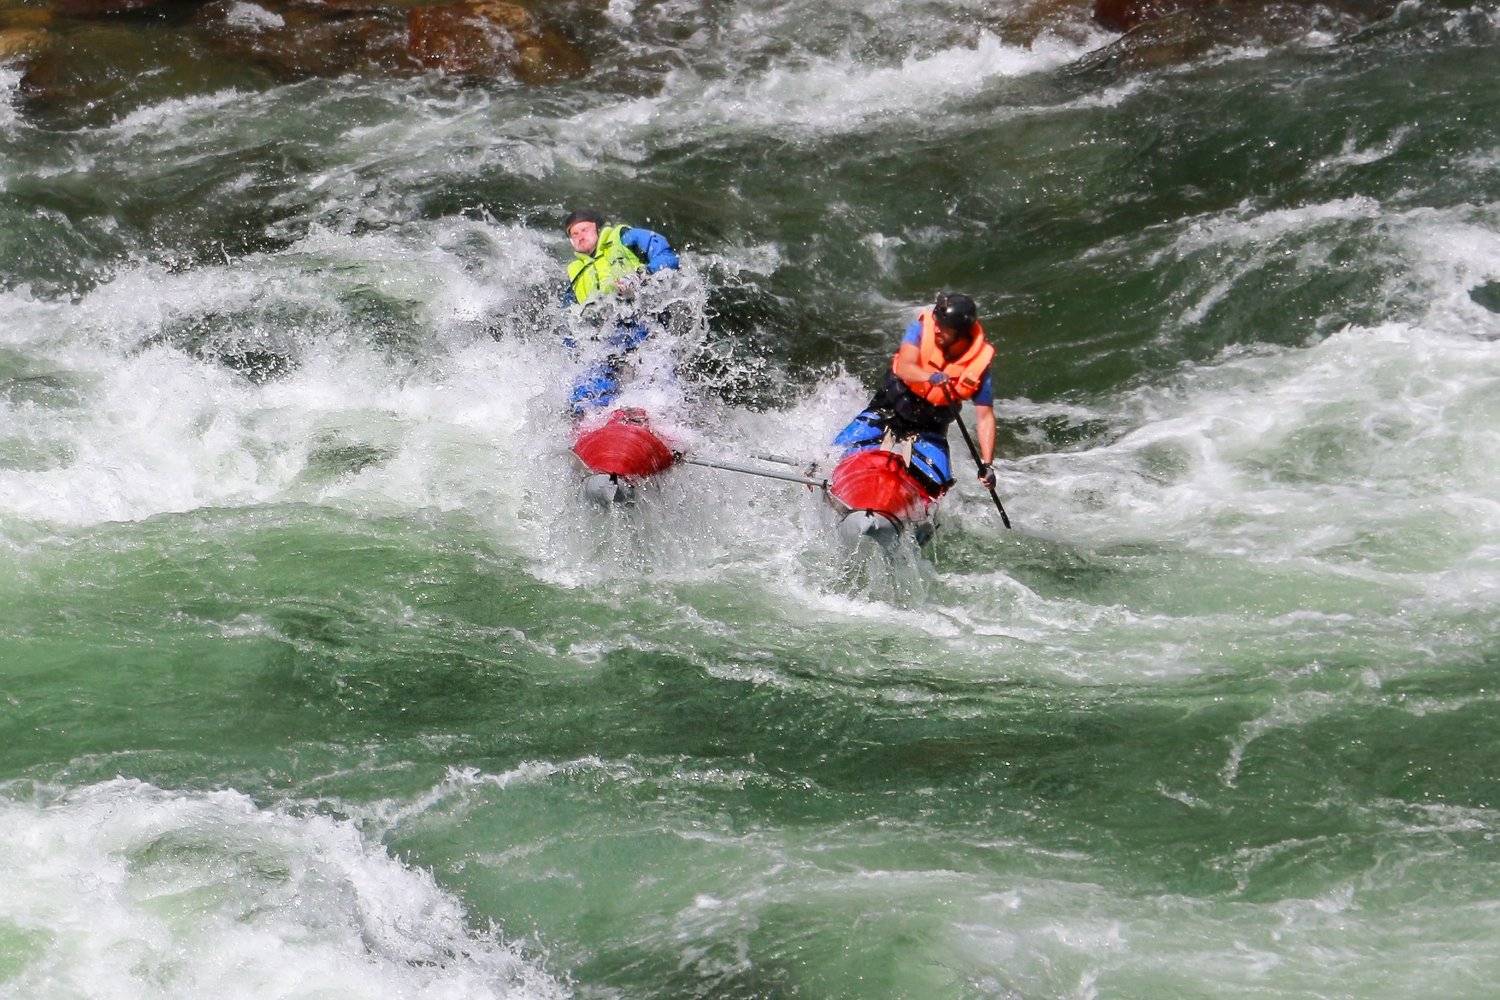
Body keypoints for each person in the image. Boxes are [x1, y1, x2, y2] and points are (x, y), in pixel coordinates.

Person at [833, 292, 998, 494]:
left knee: (939, 483)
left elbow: (985, 417)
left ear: (961, 334)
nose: (936, 328)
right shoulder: (920, 330)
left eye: (944, 327)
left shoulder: (979, 365)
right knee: (835, 451)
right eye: (937, 323)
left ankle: (911, 502)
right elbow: (904, 367)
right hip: (890, 407)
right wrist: (929, 376)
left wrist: (987, 465)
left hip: (930, 425)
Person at [559, 209, 680, 414]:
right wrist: (574, 348)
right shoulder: (575, 273)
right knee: (587, 384)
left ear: (598, 229)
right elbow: (569, 318)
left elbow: (665, 255)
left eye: (584, 230)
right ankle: (589, 417)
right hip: (607, 336)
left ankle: (664, 413)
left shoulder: (623, 237)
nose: (580, 236)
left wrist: (642, 275)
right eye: (574, 234)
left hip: (645, 322)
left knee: (655, 371)